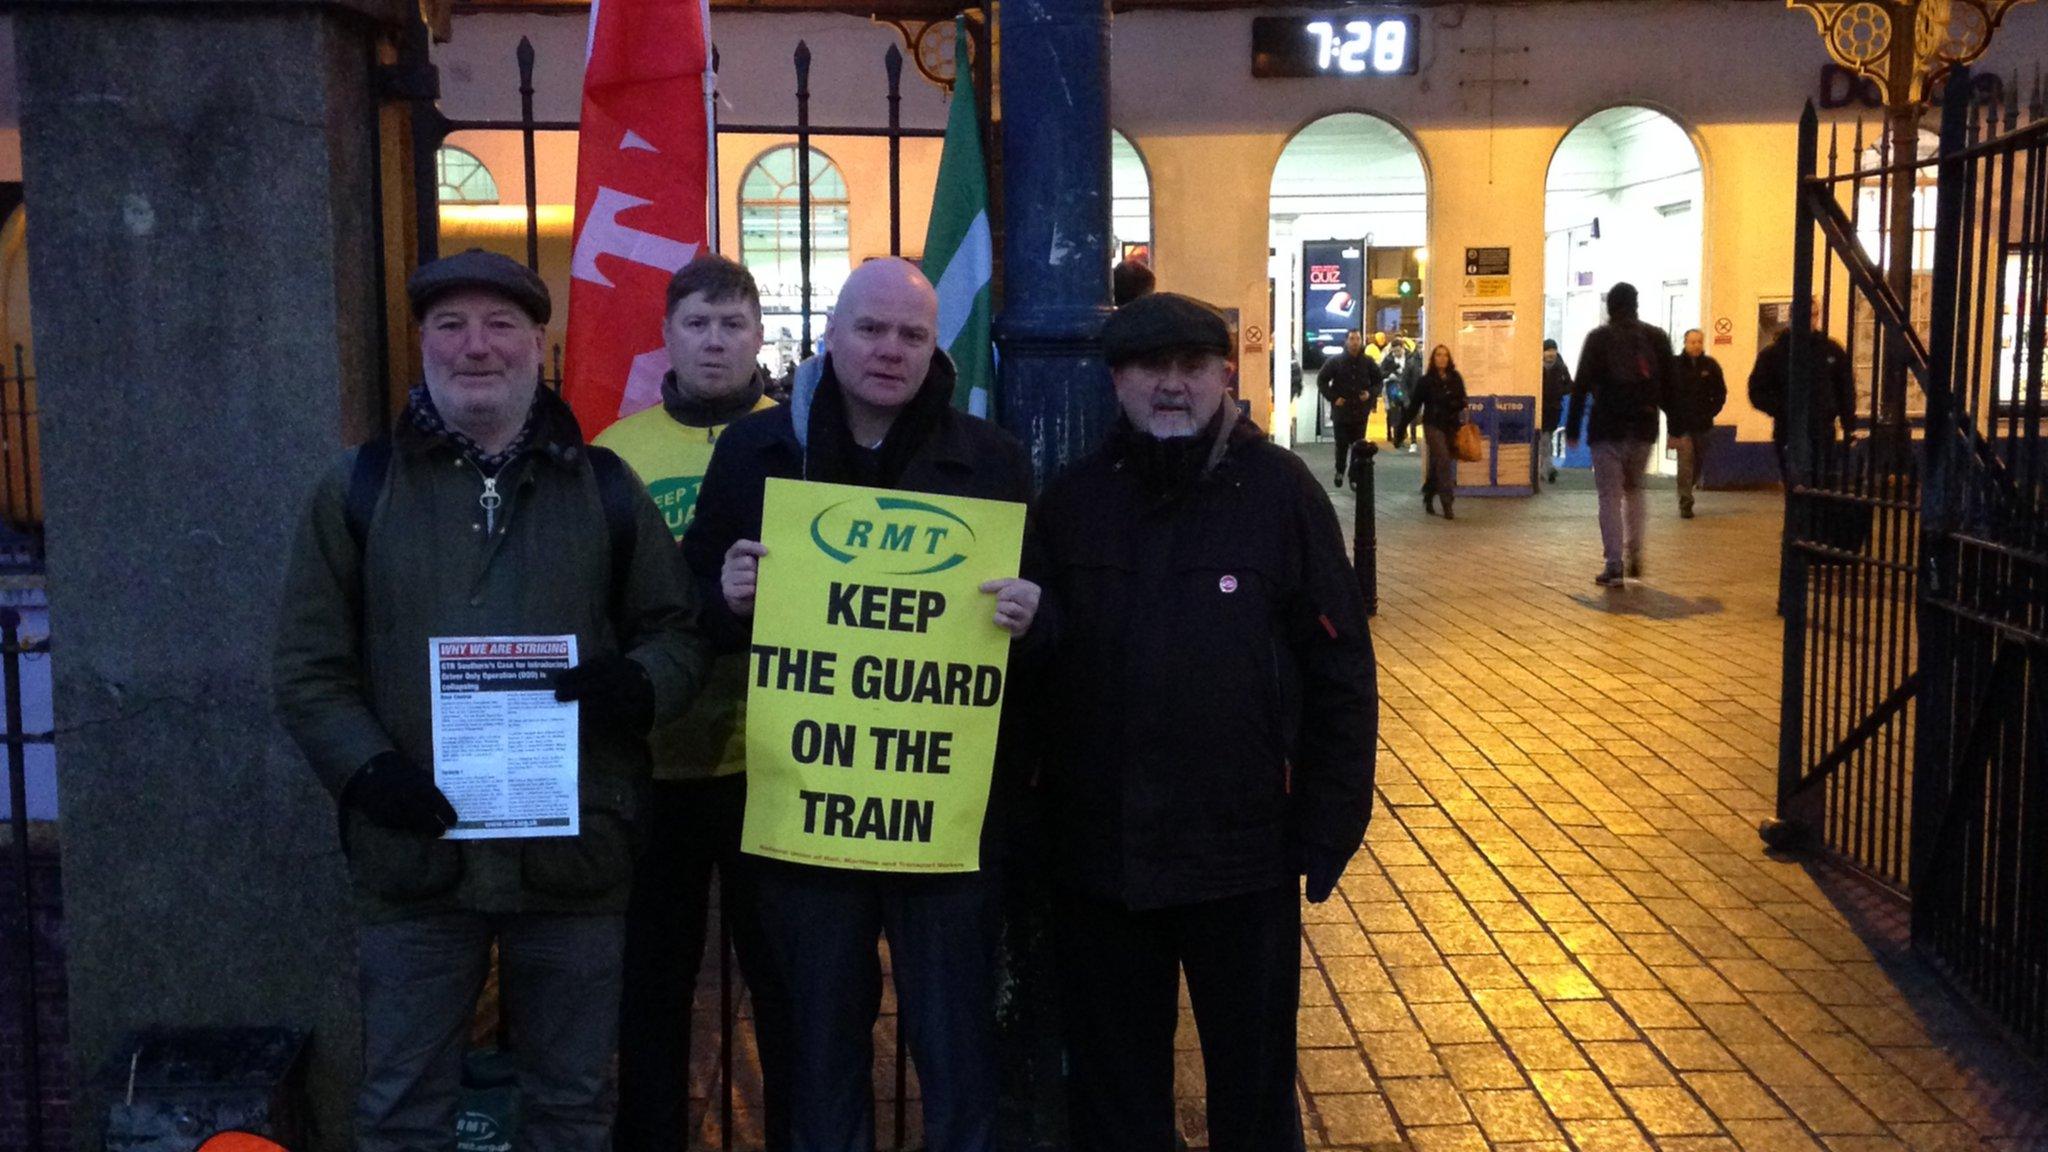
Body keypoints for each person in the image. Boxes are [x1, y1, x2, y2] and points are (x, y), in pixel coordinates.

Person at [274, 249, 709, 1152]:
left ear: (539, 346)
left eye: (501, 325)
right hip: (417, 859)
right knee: (400, 1108)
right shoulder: (357, 489)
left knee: (574, 1106)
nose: (477, 347)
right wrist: (370, 770)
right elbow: (309, 667)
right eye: (451, 326)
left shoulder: (608, 488)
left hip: (574, 854)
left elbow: (677, 631)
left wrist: (641, 687)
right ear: (421, 345)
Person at [681, 258, 1039, 1152]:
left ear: (935, 348)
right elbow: (690, 608)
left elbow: (1051, 621)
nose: (889, 350)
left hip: (943, 815)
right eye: (870, 329)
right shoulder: (756, 452)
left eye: (911, 334)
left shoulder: (991, 461)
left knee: (956, 1046)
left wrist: (1039, 614)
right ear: (830, 336)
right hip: (807, 808)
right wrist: (723, 598)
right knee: (817, 1042)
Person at [1029, 292, 1376, 1152]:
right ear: (1119, 381)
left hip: (1242, 855)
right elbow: (1035, 678)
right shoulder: (1071, 504)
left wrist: (1332, 819)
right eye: (1153, 368)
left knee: (1255, 1092)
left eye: (1192, 367)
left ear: (1226, 374)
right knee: (1116, 1099)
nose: (1173, 387)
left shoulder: (1283, 494)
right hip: (1102, 859)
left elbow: (1340, 668)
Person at [592, 255, 792, 1152]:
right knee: (652, 987)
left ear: (760, 338)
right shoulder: (615, 452)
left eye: (733, 325)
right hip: (655, 762)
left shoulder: (801, 438)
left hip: (773, 757)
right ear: (667, 335)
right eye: (698, 324)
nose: (715, 341)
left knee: (788, 985)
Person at [1566, 282, 1676, 586]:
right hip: (1643, 426)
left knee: (1609, 496)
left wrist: (1573, 427)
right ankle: (1636, 552)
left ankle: (1614, 563)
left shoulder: (1598, 339)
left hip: (1607, 428)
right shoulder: (1655, 338)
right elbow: (1670, 384)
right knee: (1635, 489)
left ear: (1610, 307)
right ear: (1636, 304)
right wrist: (1676, 426)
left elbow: (1581, 385)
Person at [1748, 300, 1856, 478]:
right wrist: (1782, 409)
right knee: (1794, 481)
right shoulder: (1774, 353)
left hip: (1823, 428)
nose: (1810, 320)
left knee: (1822, 482)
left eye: (1814, 315)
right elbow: (1757, 391)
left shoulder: (1831, 350)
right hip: (1788, 428)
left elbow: (1845, 388)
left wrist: (1848, 423)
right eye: (1805, 315)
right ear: (1791, 318)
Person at [1666, 328, 1728, 519]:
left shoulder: (1710, 366)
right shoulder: (1674, 365)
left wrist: (1711, 411)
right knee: (1686, 463)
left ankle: (1688, 487)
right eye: (1692, 342)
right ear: (1684, 343)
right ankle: (1685, 501)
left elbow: (1720, 392)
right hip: (1680, 424)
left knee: (1698, 462)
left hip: (1703, 424)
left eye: (1699, 341)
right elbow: (1664, 393)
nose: (1696, 345)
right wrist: (1672, 414)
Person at [1316, 330, 1382, 489]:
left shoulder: (1368, 362)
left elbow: (1378, 382)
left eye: (1357, 339)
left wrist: (1370, 394)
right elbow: (1322, 380)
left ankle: (1354, 476)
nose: (1355, 342)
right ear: (1346, 341)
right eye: (1352, 339)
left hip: (1360, 412)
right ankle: (1339, 470)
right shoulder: (1336, 361)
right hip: (1342, 412)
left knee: (1358, 446)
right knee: (1342, 444)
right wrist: (1333, 397)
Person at [1411, 344, 1468, 520]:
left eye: (1445, 355)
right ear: (1433, 359)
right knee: (1443, 459)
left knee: (1438, 464)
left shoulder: (1455, 378)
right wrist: (1400, 431)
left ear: (1449, 358)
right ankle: (1447, 503)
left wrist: (1454, 404)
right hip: (1432, 425)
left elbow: (1462, 399)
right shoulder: (1426, 381)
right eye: (1438, 355)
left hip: (1450, 425)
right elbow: (1414, 405)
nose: (1441, 358)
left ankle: (1428, 495)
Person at [1540, 338, 1572, 485]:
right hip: (1541, 408)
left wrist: (1559, 391)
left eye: (1553, 350)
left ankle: (1545, 468)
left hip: (1553, 409)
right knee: (1544, 440)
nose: (1551, 353)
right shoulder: (1537, 367)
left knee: (1545, 438)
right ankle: (1546, 468)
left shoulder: (1561, 368)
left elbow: (1570, 386)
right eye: (1548, 350)